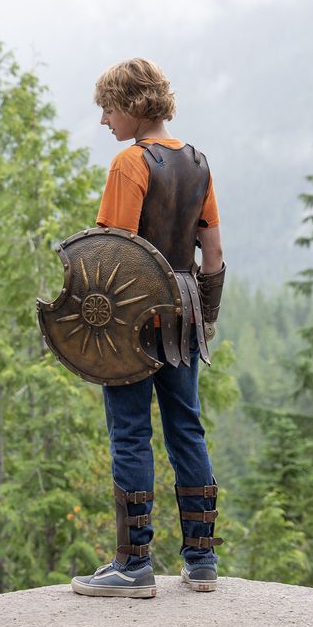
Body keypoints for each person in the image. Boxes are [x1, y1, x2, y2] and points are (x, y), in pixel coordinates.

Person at [70, 58, 226, 598]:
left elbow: (110, 256)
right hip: (182, 313)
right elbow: (213, 252)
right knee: (187, 427)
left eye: (108, 108)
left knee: (131, 431)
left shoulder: (129, 165)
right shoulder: (198, 163)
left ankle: (133, 566)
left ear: (134, 105)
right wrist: (204, 319)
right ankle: (201, 559)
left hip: (132, 318)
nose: (105, 120)